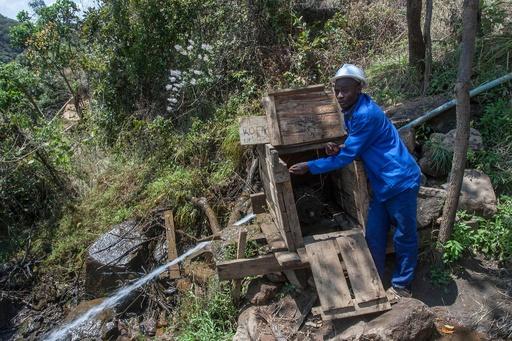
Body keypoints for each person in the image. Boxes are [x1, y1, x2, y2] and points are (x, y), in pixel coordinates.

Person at [288, 64, 421, 302]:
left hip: (400, 180)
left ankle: (402, 285)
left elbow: (347, 158)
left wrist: (310, 166)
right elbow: (356, 148)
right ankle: (375, 282)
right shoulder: (353, 110)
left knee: (404, 235)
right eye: (337, 90)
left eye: (345, 90)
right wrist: (340, 148)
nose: (340, 95)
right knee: (374, 234)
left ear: (359, 88)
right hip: (382, 184)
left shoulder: (365, 114)